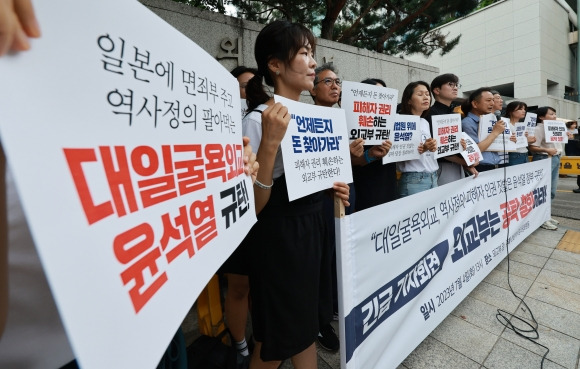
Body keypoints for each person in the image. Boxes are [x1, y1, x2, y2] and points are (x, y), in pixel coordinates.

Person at [241, 20, 350, 369]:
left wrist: (336, 189)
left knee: (305, 328)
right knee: (274, 341)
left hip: (314, 234)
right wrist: (271, 144)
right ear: (275, 65)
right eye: (304, 53)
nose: (313, 63)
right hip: (280, 243)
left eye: (312, 54)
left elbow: (324, 184)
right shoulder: (258, 120)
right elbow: (253, 207)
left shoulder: (318, 118)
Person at [220, 66, 261, 368]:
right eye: (244, 86)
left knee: (259, 287)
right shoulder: (220, 122)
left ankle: (259, 340)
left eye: (254, 85)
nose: (249, 91)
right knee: (238, 287)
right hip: (235, 211)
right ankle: (240, 345)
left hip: (265, 213)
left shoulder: (263, 117)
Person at [350, 78, 394, 211]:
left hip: (387, 183)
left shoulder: (392, 121)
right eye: (377, 94)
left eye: (384, 94)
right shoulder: (352, 122)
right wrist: (368, 156)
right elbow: (347, 161)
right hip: (365, 186)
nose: (382, 98)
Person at [428, 73, 478, 183]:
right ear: (437, 90)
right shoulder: (431, 113)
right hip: (441, 166)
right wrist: (463, 162)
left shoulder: (454, 114)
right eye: (450, 84)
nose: (455, 88)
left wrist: (468, 161)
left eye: (456, 85)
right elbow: (439, 148)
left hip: (458, 165)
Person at [396, 81, 438, 197]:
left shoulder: (424, 122)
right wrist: (423, 148)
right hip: (414, 179)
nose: (426, 97)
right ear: (408, 100)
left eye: (427, 94)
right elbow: (397, 153)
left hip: (433, 176)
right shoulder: (399, 120)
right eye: (420, 94)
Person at [529, 107, 565, 230]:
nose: (554, 116)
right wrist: (546, 150)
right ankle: (541, 218)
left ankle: (546, 216)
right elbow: (533, 147)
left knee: (552, 190)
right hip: (544, 158)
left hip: (555, 157)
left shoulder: (555, 127)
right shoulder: (538, 128)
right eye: (551, 114)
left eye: (555, 113)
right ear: (541, 117)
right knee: (543, 190)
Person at [461, 87, 509, 172]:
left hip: (497, 165)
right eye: (488, 100)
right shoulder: (467, 123)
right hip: (481, 168)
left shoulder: (490, 120)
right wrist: (495, 132)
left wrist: (510, 140)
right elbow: (474, 150)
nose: (492, 104)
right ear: (475, 104)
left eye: (493, 100)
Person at [504, 101, 535, 166]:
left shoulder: (522, 125)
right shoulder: (506, 125)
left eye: (524, 109)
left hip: (525, 153)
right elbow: (505, 142)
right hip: (514, 155)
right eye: (520, 109)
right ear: (511, 111)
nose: (523, 111)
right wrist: (525, 140)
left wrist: (529, 139)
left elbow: (528, 142)